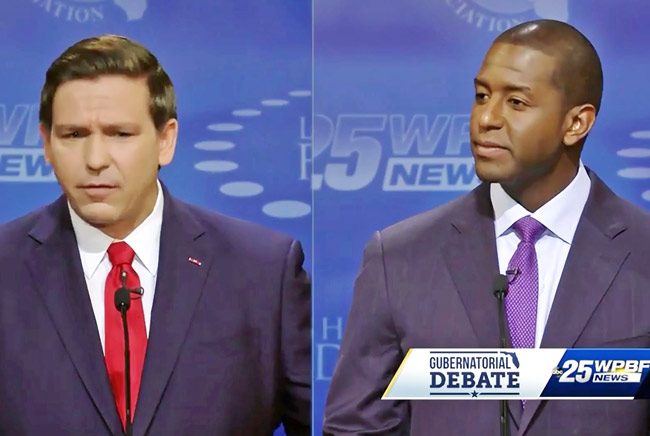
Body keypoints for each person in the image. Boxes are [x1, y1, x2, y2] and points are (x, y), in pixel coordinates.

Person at [324, 19, 650, 435]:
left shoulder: (642, 252)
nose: (487, 119)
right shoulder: (400, 257)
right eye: (481, 96)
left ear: (576, 123)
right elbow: (358, 426)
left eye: (516, 102)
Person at [0, 35, 311, 436]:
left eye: (120, 134)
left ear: (166, 140)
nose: (95, 160)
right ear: (46, 143)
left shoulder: (265, 272)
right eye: (74, 135)